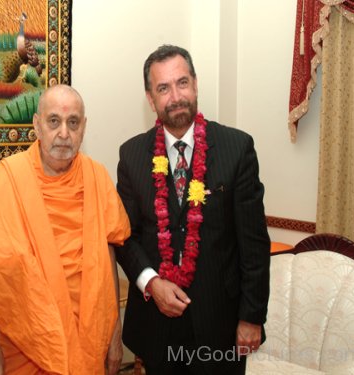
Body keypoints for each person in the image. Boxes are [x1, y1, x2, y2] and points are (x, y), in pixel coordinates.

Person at [0, 84, 131, 375]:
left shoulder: (97, 176)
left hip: (90, 340)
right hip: (26, 344)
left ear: (83, 128)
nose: (64, 133)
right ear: (37, 125)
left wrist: (114, 334)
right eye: (54, 121)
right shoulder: (9, 177)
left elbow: (106, 255)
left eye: (73, 122)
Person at [115, 45, 270, 374]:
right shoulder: (131, 156)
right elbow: (125, 238)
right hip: (157, 328)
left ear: (196, 84)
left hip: (221, 326)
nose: (175, 96)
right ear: (150, 98)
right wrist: (151, 282)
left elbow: (254, 243)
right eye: (163, 88)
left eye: (182, 83)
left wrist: (251, 317)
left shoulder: (236, 148)